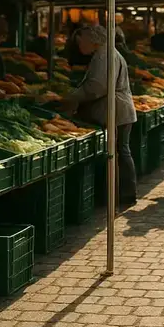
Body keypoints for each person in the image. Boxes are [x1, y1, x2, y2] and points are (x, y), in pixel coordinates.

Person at [60, 26, 137, 205]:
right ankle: (124, 192)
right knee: (122, 151)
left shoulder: (104, 55)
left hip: (115, 111)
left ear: (93, 41)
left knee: (120, 151)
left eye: (81, 42)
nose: (79, 46)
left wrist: (70, 97)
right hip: (120, 110)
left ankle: (123, 193)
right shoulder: (106, 53)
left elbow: (97, 87)